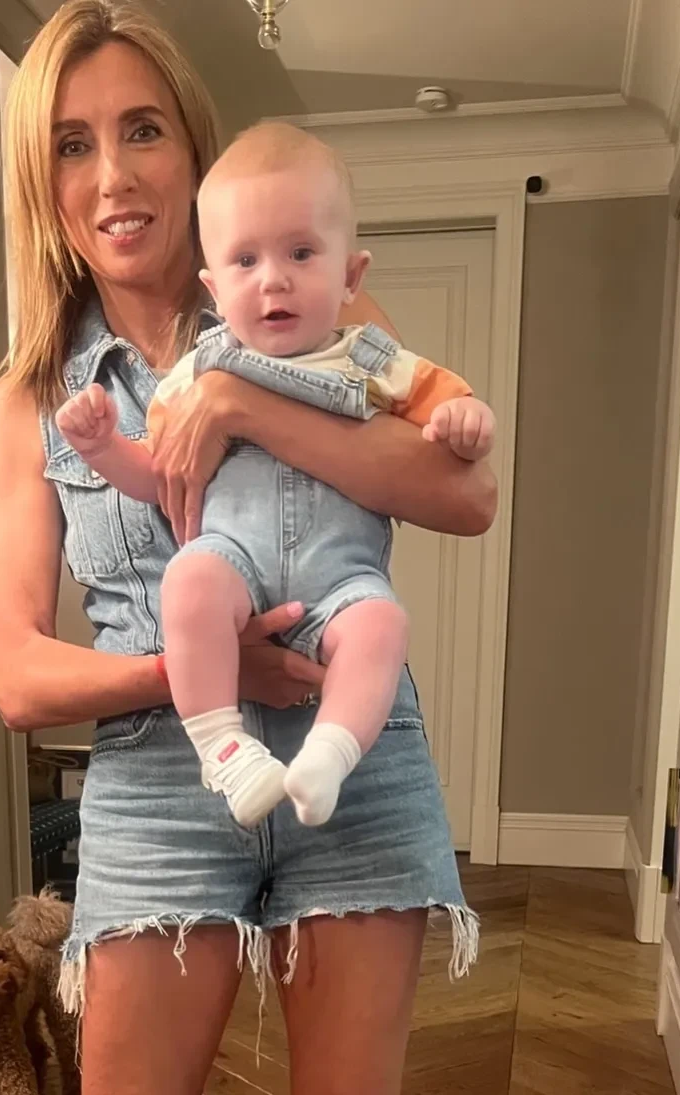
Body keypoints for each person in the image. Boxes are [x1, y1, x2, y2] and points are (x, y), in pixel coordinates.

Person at [0, 0, 497, 1095]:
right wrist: (199, 677)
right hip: (162, 781)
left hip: (358, 766)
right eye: (74, 143)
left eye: (140, 128)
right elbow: (18, 673)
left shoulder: (317, 304)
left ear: (191, 150)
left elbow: (467, 490)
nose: (113, 172)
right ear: (46, 181)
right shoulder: (31, 400)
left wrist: (250, 407)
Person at [55, 122, 496, 831]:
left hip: (343, 582)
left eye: (301, 253)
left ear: (351, 276)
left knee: (383, 625)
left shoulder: (370, 359)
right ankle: (224, 748)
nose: (274, 279)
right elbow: (156, 478)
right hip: (234, 564)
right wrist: (104, 447)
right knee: (189, 582)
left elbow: (451, 413)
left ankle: (331, 752)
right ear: (215, 287)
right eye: (246, 260)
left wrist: (466, 419)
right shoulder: (195, 373)